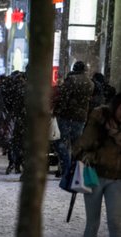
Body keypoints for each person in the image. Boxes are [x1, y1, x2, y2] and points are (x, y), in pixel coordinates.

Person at [72, 93, 121, 237]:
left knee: (116, 222)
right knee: (92, 223)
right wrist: (88, 155)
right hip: (94, 175)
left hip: (117, 178)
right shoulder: (100, 118)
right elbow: (83, 143)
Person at [53, 61, 94, 185]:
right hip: (81, 117)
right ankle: (76, 172)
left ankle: (67, 169)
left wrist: (58, 110)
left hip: (66, 116)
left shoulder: (71, 80)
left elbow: (64, 97)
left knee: (61, 143)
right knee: (77, 145)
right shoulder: (90, 83)